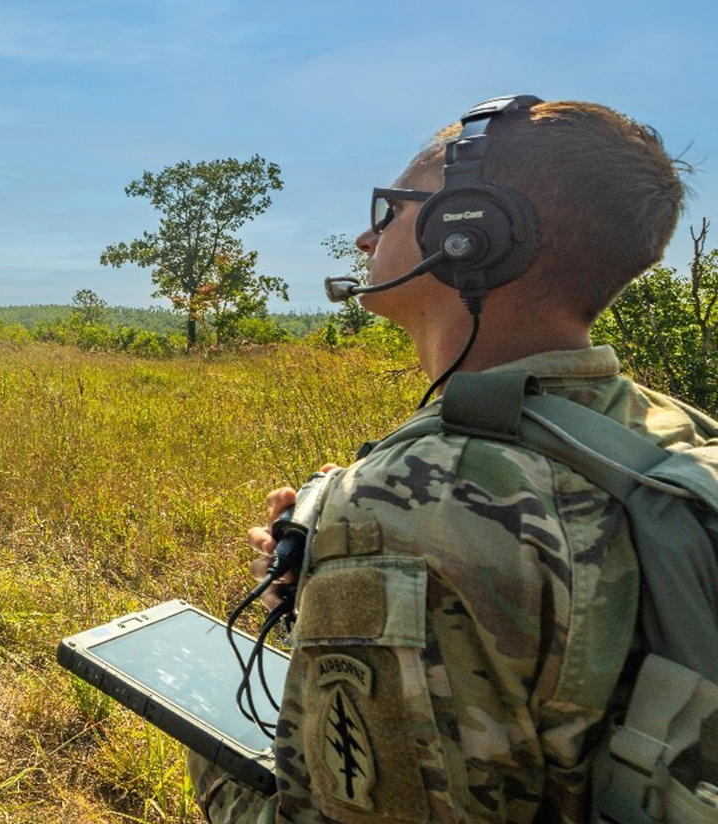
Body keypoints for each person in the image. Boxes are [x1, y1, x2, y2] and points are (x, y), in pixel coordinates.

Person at [191, 98, 715, 824]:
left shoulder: (411, 506)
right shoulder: (674, 430)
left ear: (471, 232)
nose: (366, 237)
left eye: (393, 210)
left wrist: (213, 760)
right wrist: (329, 588)